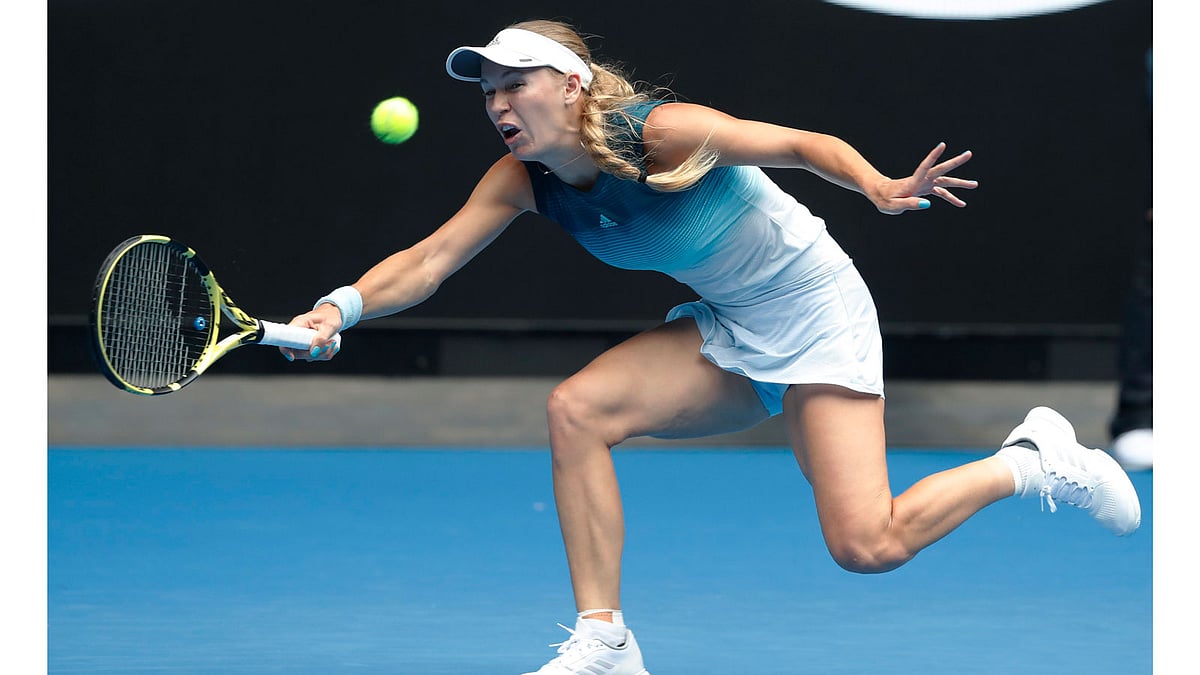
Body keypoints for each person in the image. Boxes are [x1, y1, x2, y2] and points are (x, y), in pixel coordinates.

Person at [282, 20, 1143, 675]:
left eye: (517, 82)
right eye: (488, 91)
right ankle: (605, 637)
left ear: (574, 85)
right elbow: (430, 260)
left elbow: (798, 145)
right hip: (730, 325)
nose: (499, 102)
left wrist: (877, 184)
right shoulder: (522, 183)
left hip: (816, 312)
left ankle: (1032, 459)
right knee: (575, 409)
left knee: (866, 544)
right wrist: (339, 306)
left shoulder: (659, 133)